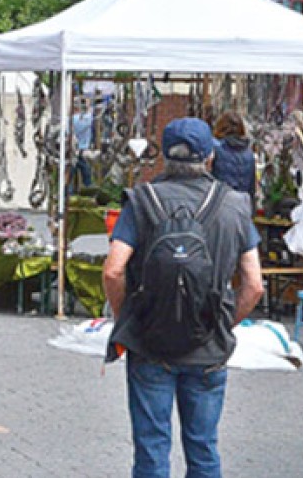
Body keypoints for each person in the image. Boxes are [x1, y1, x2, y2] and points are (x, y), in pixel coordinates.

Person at [102, 117, 264, 478]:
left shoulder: (141, 200)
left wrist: (127, 317)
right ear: (209, 156)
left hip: (150, 343)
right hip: (208, 345)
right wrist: (224, 321)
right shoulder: (235, 205)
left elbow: (113, 270)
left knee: (151, 449)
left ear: (163, 155)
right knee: (203, 448)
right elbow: (254, 284)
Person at [211, 111, 256, 213]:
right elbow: (251, 189)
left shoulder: (215, 148)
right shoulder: (249, 154)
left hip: (219, 209)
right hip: (241, 209)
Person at [71, 99, 94, 190]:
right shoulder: (85, 118)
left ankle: (68, 193)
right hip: (82, 150)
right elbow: (91, 113)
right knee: (86, 172)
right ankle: (88, 189)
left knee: (70, 175)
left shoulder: (69, 119)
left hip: (72, 150)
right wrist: (89, 104)